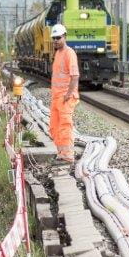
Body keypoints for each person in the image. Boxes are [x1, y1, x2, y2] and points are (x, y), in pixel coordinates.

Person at [49, 23, 80, 163]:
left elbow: (75, 76)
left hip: (65, 98)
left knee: (65, 126)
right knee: (55, 126)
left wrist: (68, 94)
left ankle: (68, 155)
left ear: (65, 37)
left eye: (58, 38)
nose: (55, 40)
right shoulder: (58, 53)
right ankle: (61, 153)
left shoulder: (69, 53)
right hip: (57, 97)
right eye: (54, 38)